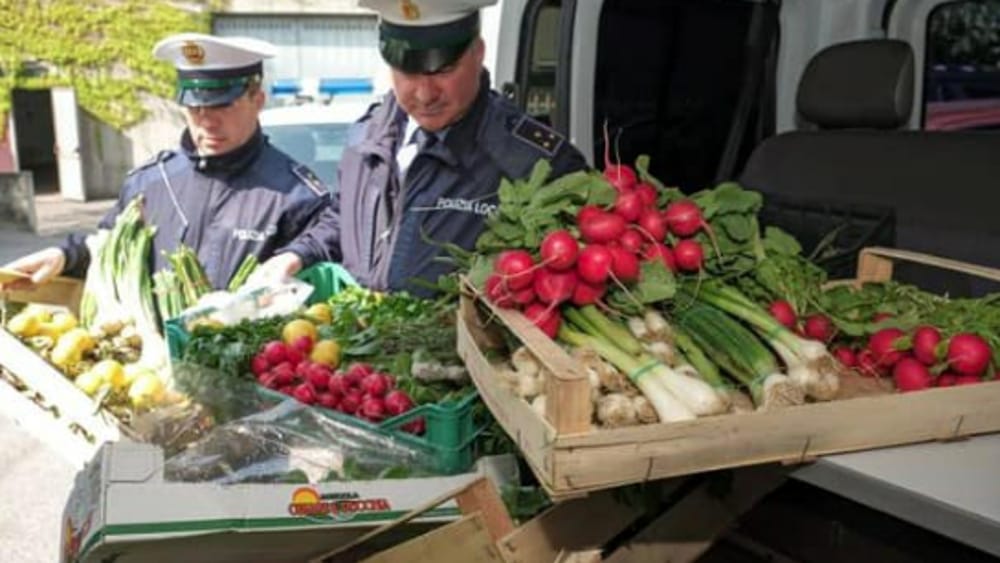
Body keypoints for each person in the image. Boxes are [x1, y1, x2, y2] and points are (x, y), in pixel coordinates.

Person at [2, 33, 338, 292]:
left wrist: (291, 260)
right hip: (148, 373)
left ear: (258, 100)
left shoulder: (296, 194)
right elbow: (110, 246)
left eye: (223, 107)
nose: (207, 122)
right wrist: (66, 257)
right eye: (196, 109)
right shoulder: (150, 181)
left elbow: (329, 264)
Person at [336, 0, 588, 295]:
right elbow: (343, 215)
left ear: (478, 53)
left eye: (444, 70)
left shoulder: (534, 162)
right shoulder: (366, 136)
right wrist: (298, 254)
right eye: (408, 72)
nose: (425, 94)